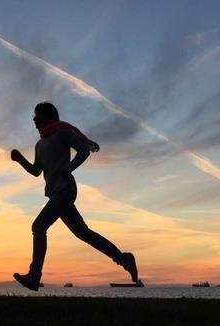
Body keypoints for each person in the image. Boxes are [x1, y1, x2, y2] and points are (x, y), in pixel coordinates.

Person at [11, 102, 139, 291]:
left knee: (38, 226)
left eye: (36, 116)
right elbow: (36, 171)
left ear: (47, 116)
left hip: (65, 190)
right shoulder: (40, 144)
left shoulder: (61, 133)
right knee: (84, 233)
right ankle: (123, 258)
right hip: (55, 193)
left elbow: (83, 150)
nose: (34, 120)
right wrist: (20, 160)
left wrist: (68, 168)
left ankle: (34, 275)